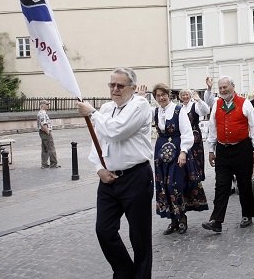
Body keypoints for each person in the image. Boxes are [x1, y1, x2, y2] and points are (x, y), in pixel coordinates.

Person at [77, 67, 153, 278]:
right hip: (108, 180)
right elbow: (98, 140)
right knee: (104, 230)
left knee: (139, 236)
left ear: (133, 88)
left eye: (120, 85)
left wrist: (92, 113)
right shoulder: (106, 108)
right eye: (112, 85)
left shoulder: (140, 105)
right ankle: (124, 272)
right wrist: (99, 168)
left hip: (136, 177)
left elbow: (116, 131)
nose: (115, 89)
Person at [202, 76, 254, 232]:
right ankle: (216, 220)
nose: (223, 90)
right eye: (220, 88)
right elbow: (213, 128)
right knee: (221, 185)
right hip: (222, 150)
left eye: (225, 87)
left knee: (244, 184)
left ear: (233, 86)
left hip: (242, 149)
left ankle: (247, 214)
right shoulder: (217, 104)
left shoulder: (245, 103)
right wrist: (211, 150)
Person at [153, 84, 208, 235]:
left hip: (178, 151)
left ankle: (182, 218)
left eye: (163, 94)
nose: (161, 98)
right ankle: (173, 220)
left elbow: (187, 132)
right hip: (161, 153)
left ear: (169, 95)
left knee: (175, 184)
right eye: (158, 95)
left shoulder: (179, 110)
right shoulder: (156, 111)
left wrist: (183, 152)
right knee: (164, 185)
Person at [179, 89, 210, 180]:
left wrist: (199, 100)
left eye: (187, 95)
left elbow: (206, 111)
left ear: (190, 96)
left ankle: (197, 178)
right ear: (180, 97)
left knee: (196, 158)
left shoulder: (195, 106)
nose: (185, 97)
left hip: (195, 136)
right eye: (183, 95)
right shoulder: (179, 108)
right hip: (183, 137)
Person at [37, 99, 60, 169]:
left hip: (42, 132)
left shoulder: (40, 113)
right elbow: (44, 124)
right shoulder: (43, 114)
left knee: (44, 149)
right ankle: (53, 163)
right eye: (47, 104)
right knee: (51, 148)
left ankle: (44, 164)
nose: (48, 106)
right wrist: (48, 132)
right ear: (42, 105)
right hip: (45, 132)